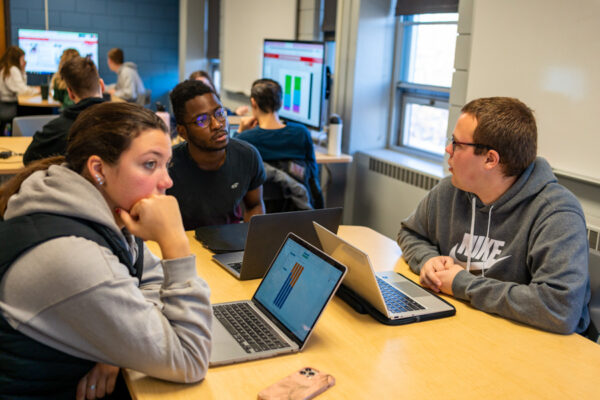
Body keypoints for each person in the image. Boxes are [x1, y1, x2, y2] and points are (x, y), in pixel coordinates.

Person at [0, 102, 212, 398]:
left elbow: (147, 278)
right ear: (98, 169)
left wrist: (121, 339)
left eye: (167, 164)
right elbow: (190, 359)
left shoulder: (98, 208)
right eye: (150, 164)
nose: (167, 181)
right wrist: (176, 245)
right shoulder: (73, 255)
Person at [397, 97, 590, 335]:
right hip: (466, 327)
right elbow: (411, 232)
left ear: (490, 159)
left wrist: (461, 284)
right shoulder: (450, 190)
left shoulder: (556, 213)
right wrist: (427, 260)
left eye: (457, 143)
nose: (448, 149)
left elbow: (559, 308)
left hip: (532, 346)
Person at [168, 79, 266, 230]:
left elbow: (255, 205)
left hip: (230, 245)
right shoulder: (167, 167)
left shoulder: (247, 156)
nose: (217, 124)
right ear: (183, 132)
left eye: (219, 113)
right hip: (183, 246)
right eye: (202, 120)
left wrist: (250, 241)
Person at [236, 78, 322, 208]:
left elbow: (233, 167)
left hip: (260, 212)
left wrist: (240, 131)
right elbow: (312, 175)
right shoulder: (301, 133)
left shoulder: (245, 139)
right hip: (298, 210)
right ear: (281, 103)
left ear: (254, 103)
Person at [23, 56, 106, 164]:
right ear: (102, 85)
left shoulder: (56, 130)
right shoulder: (122, 122)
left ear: (70, 93)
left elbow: (29, 160)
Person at [0, 46, 38, 135]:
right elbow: (23, 90)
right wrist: (37, 90)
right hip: (8, 106)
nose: (24, 62)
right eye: (22, 59)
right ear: (16, 59)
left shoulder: (5, 67)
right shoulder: (12, 69)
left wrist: (23, 70)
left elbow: (21, 87)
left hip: (4, 104)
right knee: (36, 111)